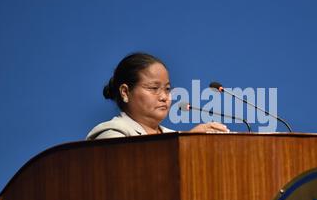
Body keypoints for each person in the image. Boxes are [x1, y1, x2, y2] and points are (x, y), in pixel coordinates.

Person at [86, 52, 229, 140]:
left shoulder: (173, 135)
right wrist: (186, 145)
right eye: (154, 88)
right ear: (125, 92)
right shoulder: (111, 133)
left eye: (167, 89)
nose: (164, 97)